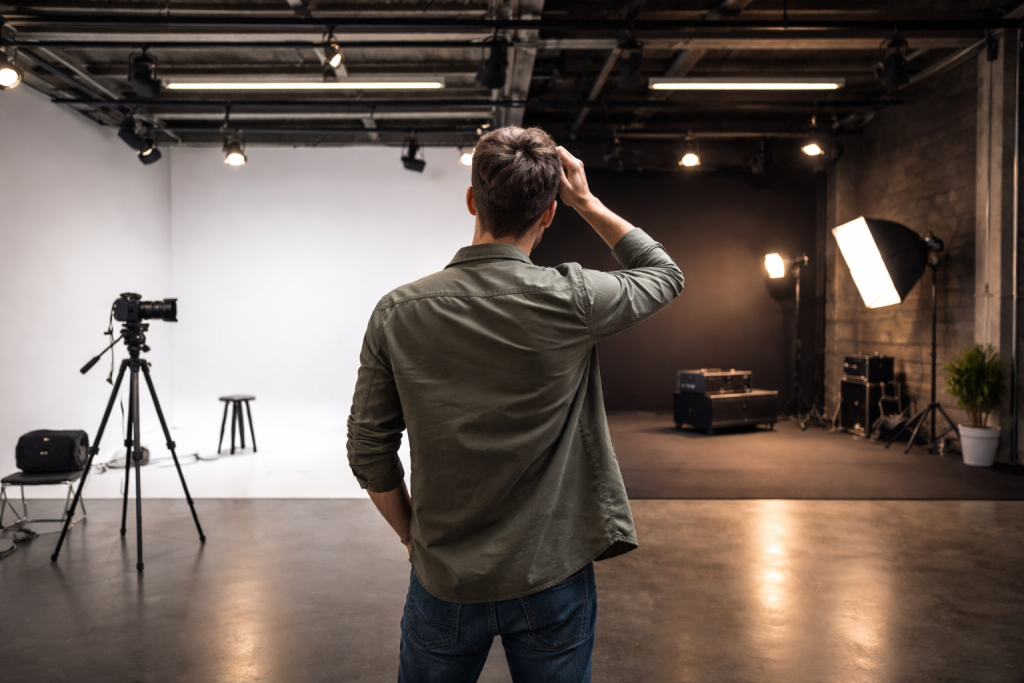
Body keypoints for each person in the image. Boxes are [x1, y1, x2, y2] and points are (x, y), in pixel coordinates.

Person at [346, 126, 683, 683]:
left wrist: (414, 538)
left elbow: (368, 450)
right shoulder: (573, 297)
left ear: (472, 200)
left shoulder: (396, 312)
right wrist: (586, 200)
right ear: (549, 214)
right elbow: (664, 274)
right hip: (551, 576)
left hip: (444, 580)